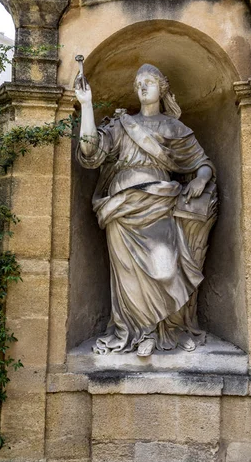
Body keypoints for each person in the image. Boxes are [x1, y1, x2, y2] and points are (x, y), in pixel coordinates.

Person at [75, 63, 217, 357]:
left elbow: (201, 162)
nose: (142, 87)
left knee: (164, 270)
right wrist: (86, 105)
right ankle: (142, 334)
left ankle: (168, 328)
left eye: (149, 81)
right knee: (127, 278)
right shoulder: (121, 125)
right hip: (121, 209)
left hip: (159, 203)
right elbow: (90, 151)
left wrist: (201, 179)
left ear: (162, 88)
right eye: (138, 82)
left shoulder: (173, 128)